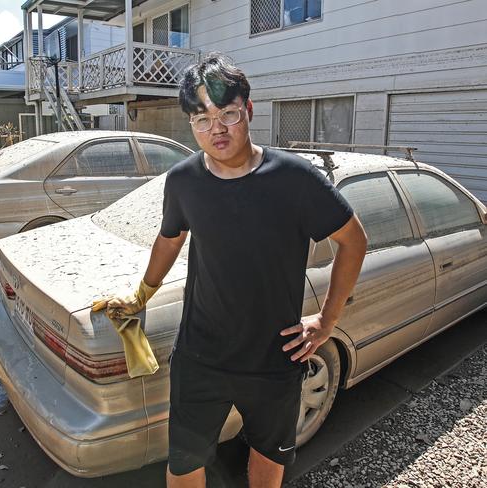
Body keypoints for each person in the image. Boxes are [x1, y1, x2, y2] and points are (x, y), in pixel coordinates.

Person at [100, 54, 367, 488]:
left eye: (227, 114)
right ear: (190, 123)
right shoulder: (184, 181)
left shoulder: (294, 179)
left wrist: (328, 319)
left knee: (267, 459)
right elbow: (170, 238)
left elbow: (353, 240)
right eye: (202, 118)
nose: (216, 129)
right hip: (200, 356)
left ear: (249, 110)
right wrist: (141, 294)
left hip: (275, 359)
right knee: (184, 463)